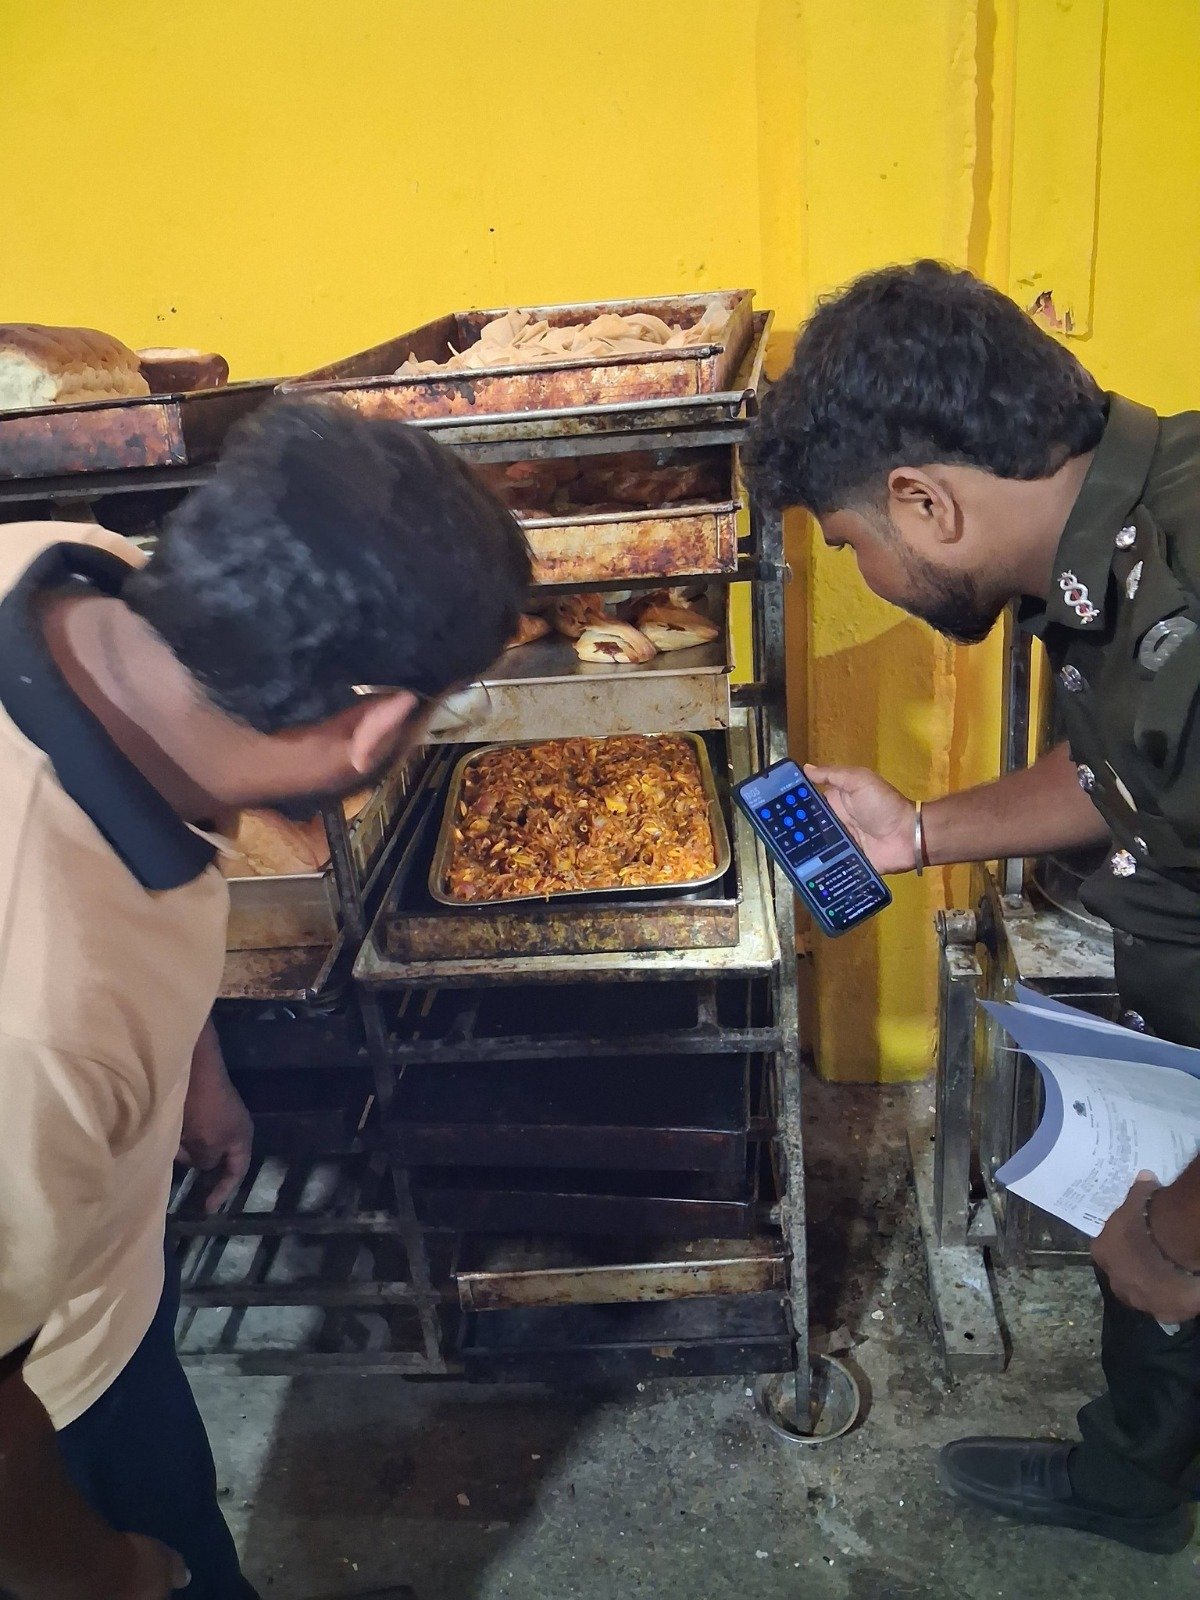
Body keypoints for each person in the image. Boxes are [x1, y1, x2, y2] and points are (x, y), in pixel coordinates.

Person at [0, 397, 531, 1600]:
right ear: (377, 726)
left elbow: (148, 855)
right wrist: (105, 1572)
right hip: (51, 1397)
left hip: (96, 1265)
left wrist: (193, 1063)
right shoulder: (40, 1010)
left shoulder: (59, 567)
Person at [744, 260, 1200, 1554]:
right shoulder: (1131, 521)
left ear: (923, 502)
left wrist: (1177, 1236)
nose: (867, 576)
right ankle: (1134, 1484)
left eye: (851, 549)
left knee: (1152, 1247)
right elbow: (1121, 770)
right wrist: (920, 831)